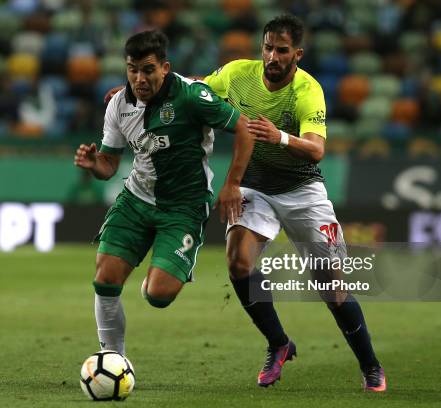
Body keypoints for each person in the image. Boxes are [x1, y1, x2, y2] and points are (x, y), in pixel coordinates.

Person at [103, 16, 385, 392]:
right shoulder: (237, 73)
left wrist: (279, 136)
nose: (272, 56)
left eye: (282, 50)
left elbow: (317, 149)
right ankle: (279, 344)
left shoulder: (308, 89)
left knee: (331, 285)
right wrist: (136, 90)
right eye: (268, 47)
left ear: (297, 54)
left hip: (303, 191)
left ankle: (370, 366)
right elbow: (191, 89)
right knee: (238, 262)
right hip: (255, 187)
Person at [75, 30, 253, 358]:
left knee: (159, 295)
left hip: (183, 206)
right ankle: (113, 361)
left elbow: (244, 128)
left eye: (147, 70)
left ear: (164, 68)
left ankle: (164, 271)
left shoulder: (191, 97)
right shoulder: (118, 105)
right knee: (105, 278)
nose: (139, 78)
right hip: (137, 198)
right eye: (132, 70)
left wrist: (232, 184)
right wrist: (92, 164)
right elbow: (109, 165)